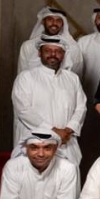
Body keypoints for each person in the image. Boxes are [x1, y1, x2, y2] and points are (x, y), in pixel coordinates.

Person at [12, 36, 87, 166]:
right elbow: (23, 110)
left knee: (68, 176)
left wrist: (69, 129)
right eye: (48, 51)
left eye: (58, 51)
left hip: (66, 142)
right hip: (36, 143)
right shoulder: (26, 77)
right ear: (39, 53)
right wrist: (54, 131)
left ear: (63, 54)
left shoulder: (72, 78)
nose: (53, 54)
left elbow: (81, 107)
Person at [17, 6, 83, 75]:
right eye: (50, 19)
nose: (54, 23)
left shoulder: (73, 48)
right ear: (43, 22)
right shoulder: (27, 46)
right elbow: (21, 75)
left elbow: (77, 77)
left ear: (63, 24)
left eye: (58, 20)